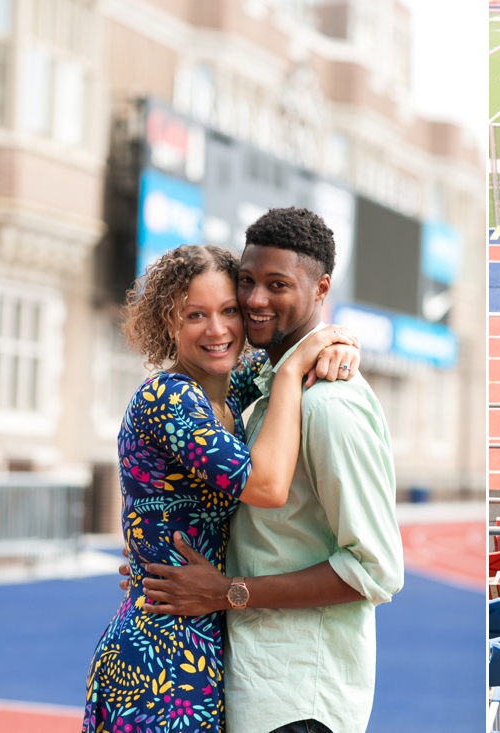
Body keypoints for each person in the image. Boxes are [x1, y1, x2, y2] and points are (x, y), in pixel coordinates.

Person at [127, 207, 405, 733]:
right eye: (247, 284)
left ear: (320, 288)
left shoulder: (325, 405)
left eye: (277, 284)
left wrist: (228, 590)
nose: (255, 301)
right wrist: (150, 545)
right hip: (239, 673)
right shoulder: (266, 385)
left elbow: (376, 568)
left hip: (298, 699)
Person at [82, 244, 360, 732]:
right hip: (158, 657)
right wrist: (296, 370)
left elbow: (304, 346)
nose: (217, 330)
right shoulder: (168, 397)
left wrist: (340, 344)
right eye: (195, 315)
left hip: (205, 642)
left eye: (229, 310)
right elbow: (268, 485)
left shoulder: (232, 389)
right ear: (168, 324)